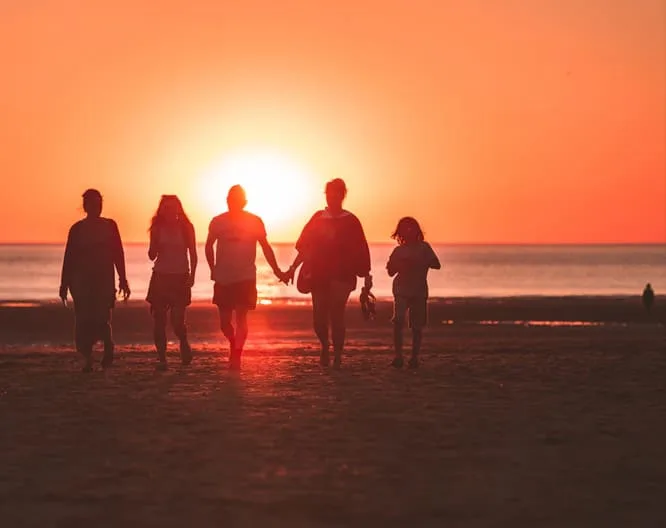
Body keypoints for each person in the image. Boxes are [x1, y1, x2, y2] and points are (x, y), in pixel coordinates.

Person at [285, 178, 372, 368]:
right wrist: (293, 267)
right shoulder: (318, 218)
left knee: (337, 314)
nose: (333, 196)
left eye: (337, 193)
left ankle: (338, 355)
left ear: (343, 195)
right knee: (319, 318)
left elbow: (361, 249)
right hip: (318, 273)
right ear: (326, 195)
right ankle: (325, 345)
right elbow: (304, 248)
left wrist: (366, 276)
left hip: (343, 275)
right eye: (329, 192)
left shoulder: (351, 220)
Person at [205, 185, 286, 370]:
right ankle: (234, 343)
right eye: (230, 199)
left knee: (241, 317)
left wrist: (277, 270)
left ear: (244, 202)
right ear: (227, 200)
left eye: (237, 199)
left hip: (245, 276)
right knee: (224, 323)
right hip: (223, 277)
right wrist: (213, 268)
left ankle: (237, 354)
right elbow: (209, 245)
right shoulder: (218, 221)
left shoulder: (254, 221)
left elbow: (265, 247)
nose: (233, 202)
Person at [59, 189, 130, 372]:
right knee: (83, 320)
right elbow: (69, 257)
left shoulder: (110, 226)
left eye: (98, 204)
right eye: (91, 204)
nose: (96, 207)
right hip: (81, 282)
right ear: (85, 206)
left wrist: (123, 278)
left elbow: (118, 253)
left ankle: (108, 346)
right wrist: (64, 283)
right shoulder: (77, 229)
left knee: (102, 318)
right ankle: (88, 358)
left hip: (104, 280)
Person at [146, 195, 197, 370]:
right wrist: (155, 245)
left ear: (178, 209)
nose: (169, 211)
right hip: (160, 276)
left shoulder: (186, 227)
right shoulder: (157, 228)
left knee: (177, 320)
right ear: (161, 210)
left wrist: (192, 276)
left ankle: (183, 341)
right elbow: (152, 255)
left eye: (173, 208)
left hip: (180, 276)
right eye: (166, 208)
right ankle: (162, 358)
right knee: (159, 319)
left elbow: (193, 253)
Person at [386, 217, 440, 369]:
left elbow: (436, 264)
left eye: (411, 228)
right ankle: (398, 356)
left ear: (416, 230)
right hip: (401, 289)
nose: (408, 231)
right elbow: (390, 271)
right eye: (405, 229)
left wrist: (420, 262)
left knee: (417, 326)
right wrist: (400, 264)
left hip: (419, 290)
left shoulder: (424, 248)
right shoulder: (398, 250)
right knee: (398, 321)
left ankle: (414, 357)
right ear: (400, 232)